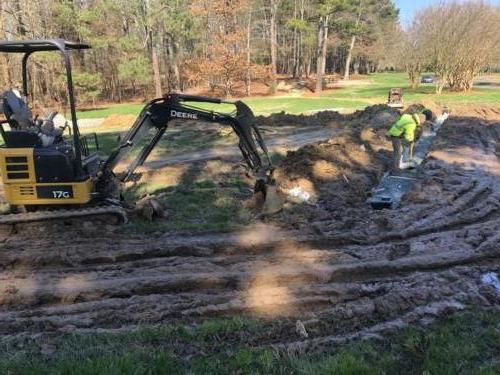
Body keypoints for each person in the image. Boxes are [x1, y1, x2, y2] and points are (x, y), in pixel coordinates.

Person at [386, 109, 433, 173]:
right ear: (420, 120)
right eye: (422, 123)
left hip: (396, 133)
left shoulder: (409, 116)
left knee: (401, 150)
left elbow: (403, 118)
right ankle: (395, 170)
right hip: (395, 135)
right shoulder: (411, 124)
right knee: (398, 152)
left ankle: (400, 164)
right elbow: (408, 136)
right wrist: (412, 140)